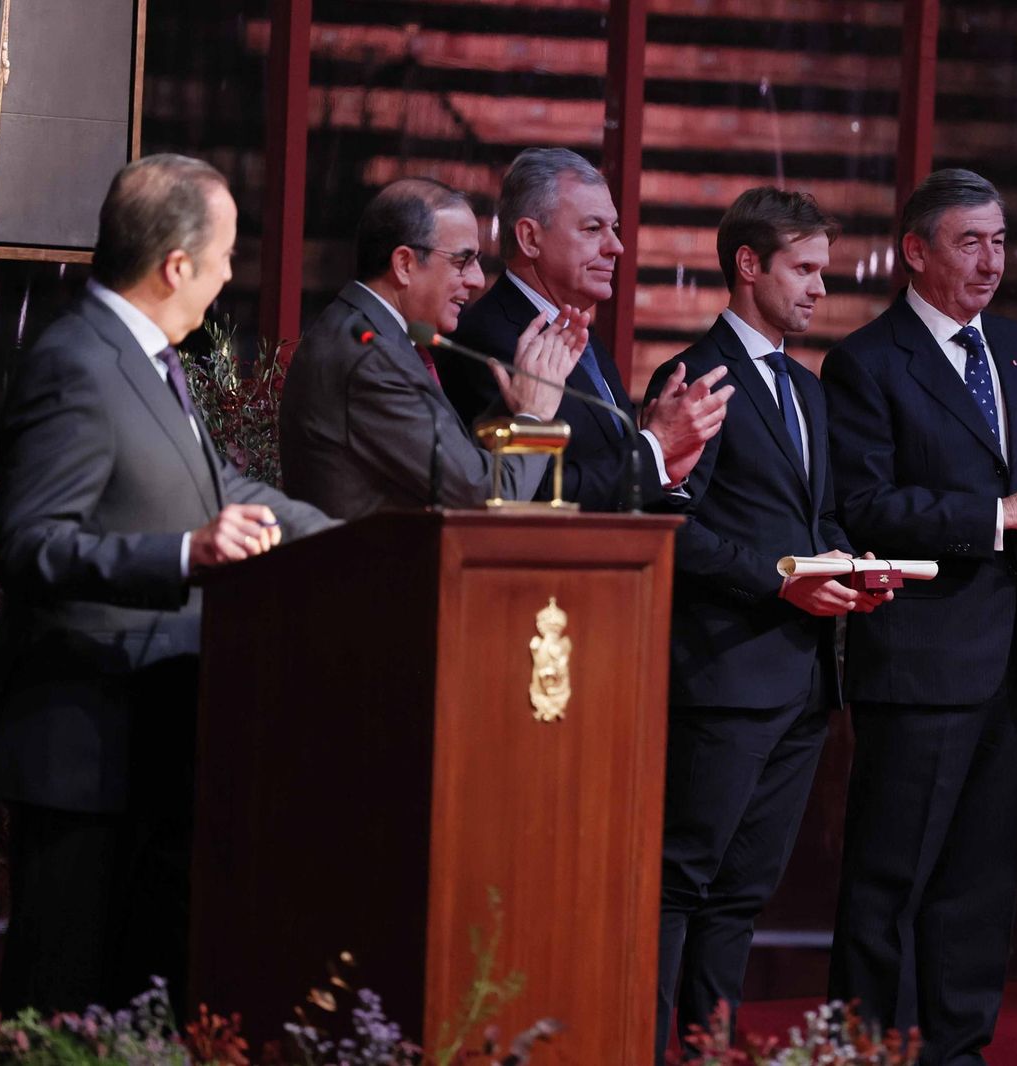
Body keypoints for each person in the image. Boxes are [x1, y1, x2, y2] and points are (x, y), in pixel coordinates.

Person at [0, 154, 335, 1015]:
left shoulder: (147, 356)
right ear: (176, 264)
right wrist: (183, 557)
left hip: (152, 739)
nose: (226, 277)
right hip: (82, 750)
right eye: (223, 257)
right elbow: (28, 546)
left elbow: (221, 491)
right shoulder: (77, 362)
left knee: (140, 997)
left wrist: (358, 541)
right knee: (66, 1003)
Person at [821, 168, 1017, 1064]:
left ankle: (959, 1052)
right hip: (920, 661)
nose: (992, 261)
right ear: (916, 251)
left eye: (1000, 241)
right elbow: (865, 506)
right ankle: (865, 1054)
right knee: (889, 884)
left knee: (982, 891)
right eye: (970, 242)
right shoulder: (866, 361)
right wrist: (1005, 515)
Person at [644, 187, 884, 1058]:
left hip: (804, 679)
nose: (822, 287)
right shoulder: (691, 378)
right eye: (806, 268)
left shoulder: (808, 389)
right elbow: (675, 525)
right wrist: (784, 580)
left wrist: (855, 572)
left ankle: (710, 1050)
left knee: (743, 895)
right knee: (682, 881)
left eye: (825, 269)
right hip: (724, 675)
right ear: (749, 266)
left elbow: (814, 525)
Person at [280, 177, 589, 519]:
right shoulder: (370, 359)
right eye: (462, 261)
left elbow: (455, 461)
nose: (476, 280)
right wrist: (534, 418)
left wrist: (517, 398)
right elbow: (482, 496)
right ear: (405, 264)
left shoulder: (373, 334)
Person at [445, 148, 729, 510]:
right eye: (593, 229)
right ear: (530, 238)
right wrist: (655, 447)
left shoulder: (577, 330)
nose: (617, 247)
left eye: (614, 229)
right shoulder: (489, 338)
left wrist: (664, 468)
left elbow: (610, 471)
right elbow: (534, 493)